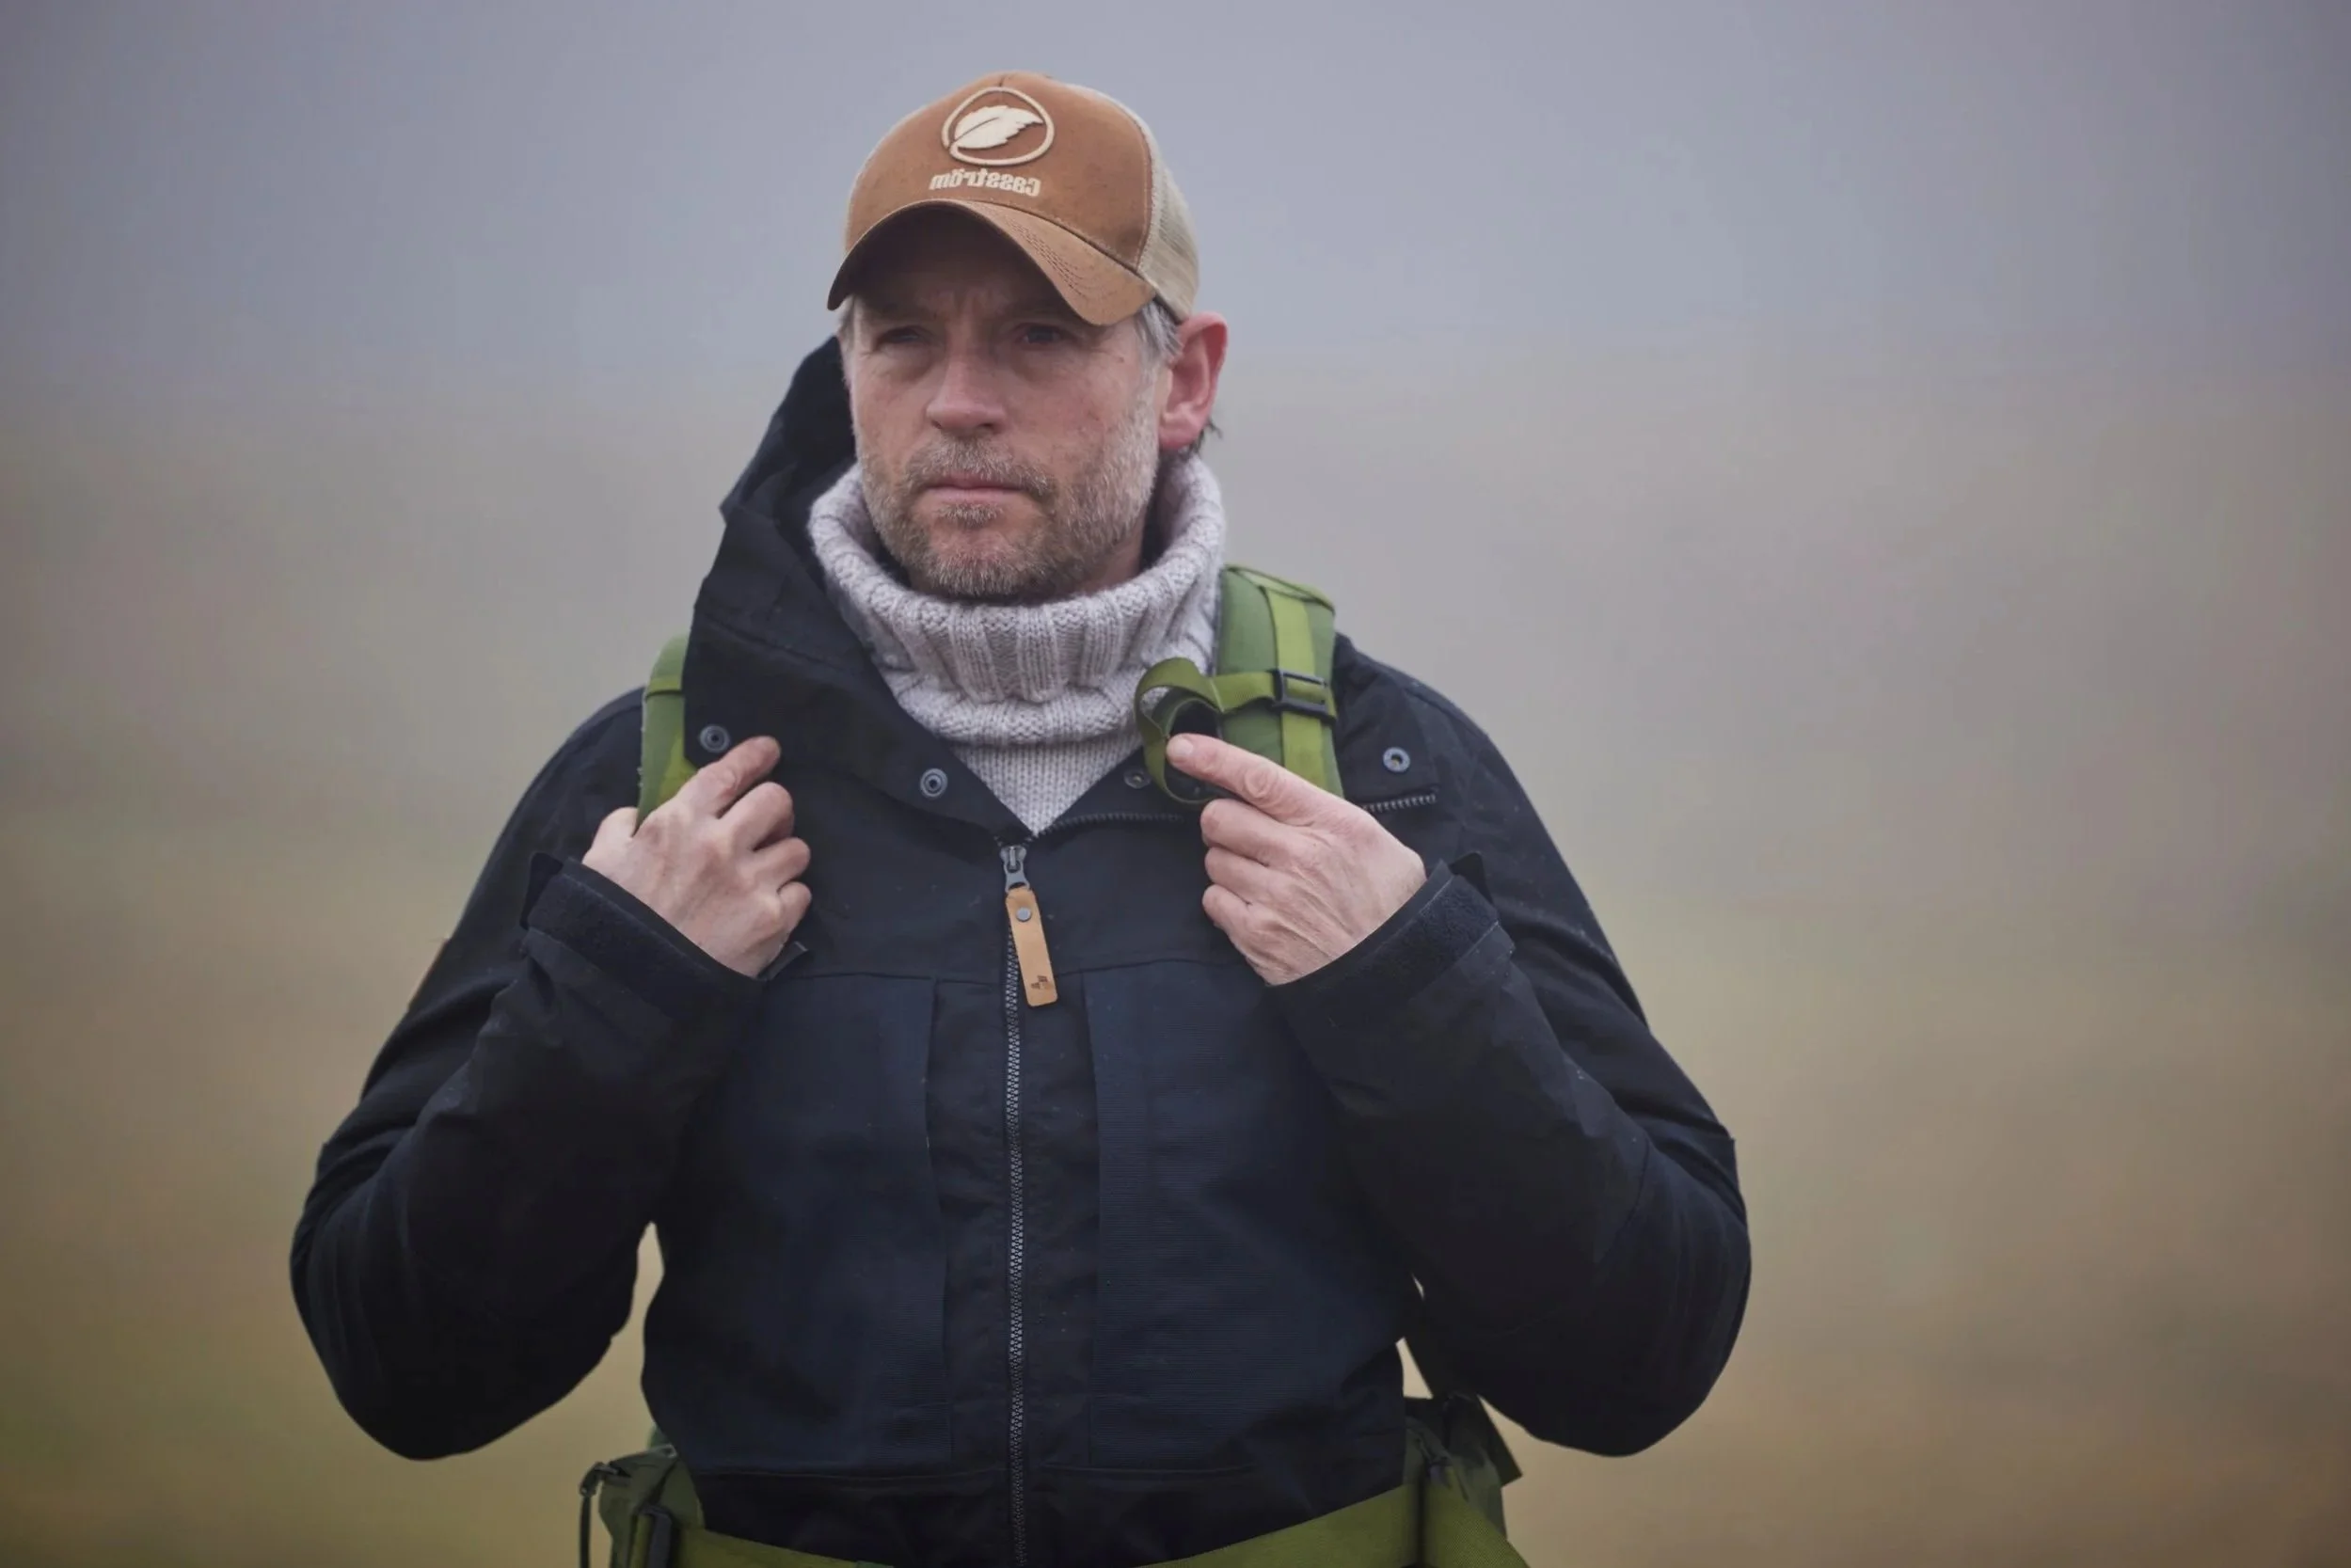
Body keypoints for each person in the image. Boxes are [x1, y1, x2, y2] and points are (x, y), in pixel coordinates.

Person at [291, 70, 1750, 1568]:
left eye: (1039, 334)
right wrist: (618, 990)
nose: (960, 398)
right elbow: (405, 1371)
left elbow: (1642, 1355)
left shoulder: (1377, 776)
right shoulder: (673, 785)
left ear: (1185, 380)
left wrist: (1405, 984)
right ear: (844, 361)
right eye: (904, 336)